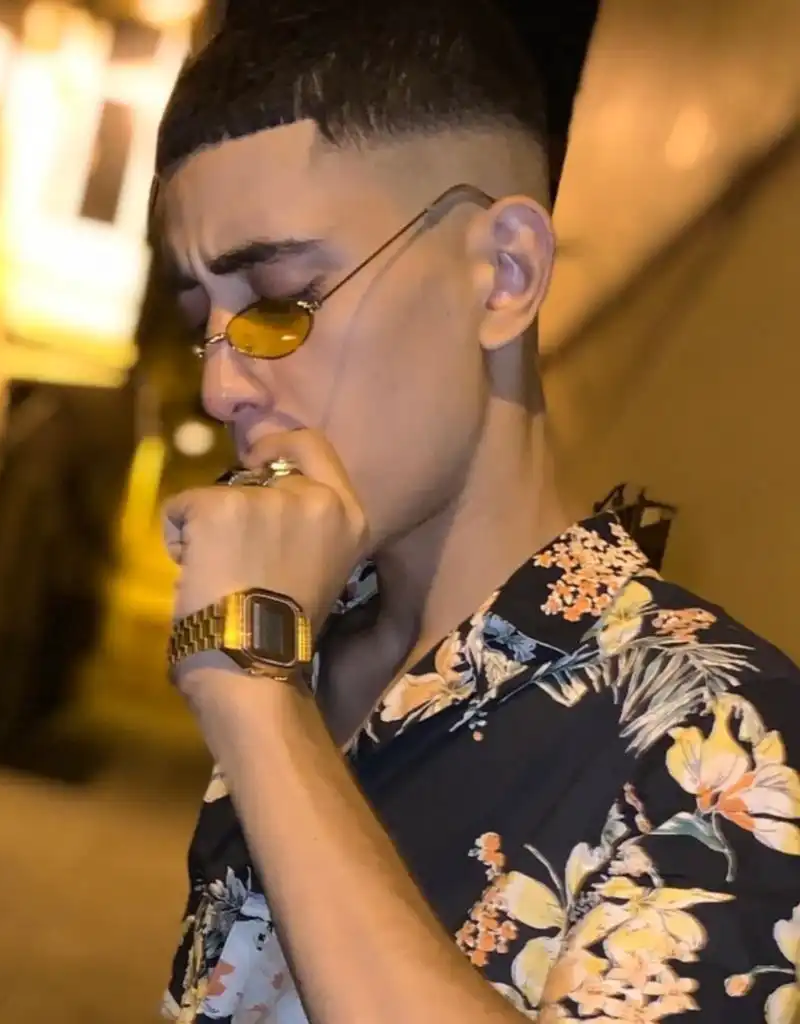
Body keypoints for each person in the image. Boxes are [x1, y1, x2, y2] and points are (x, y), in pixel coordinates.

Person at [150, 2, 800, 1021]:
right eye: (205, 323)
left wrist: (257, 701)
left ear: (504, 274)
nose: (221, 388)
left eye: (278, 304)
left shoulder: (722, 736)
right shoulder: (309, 646)